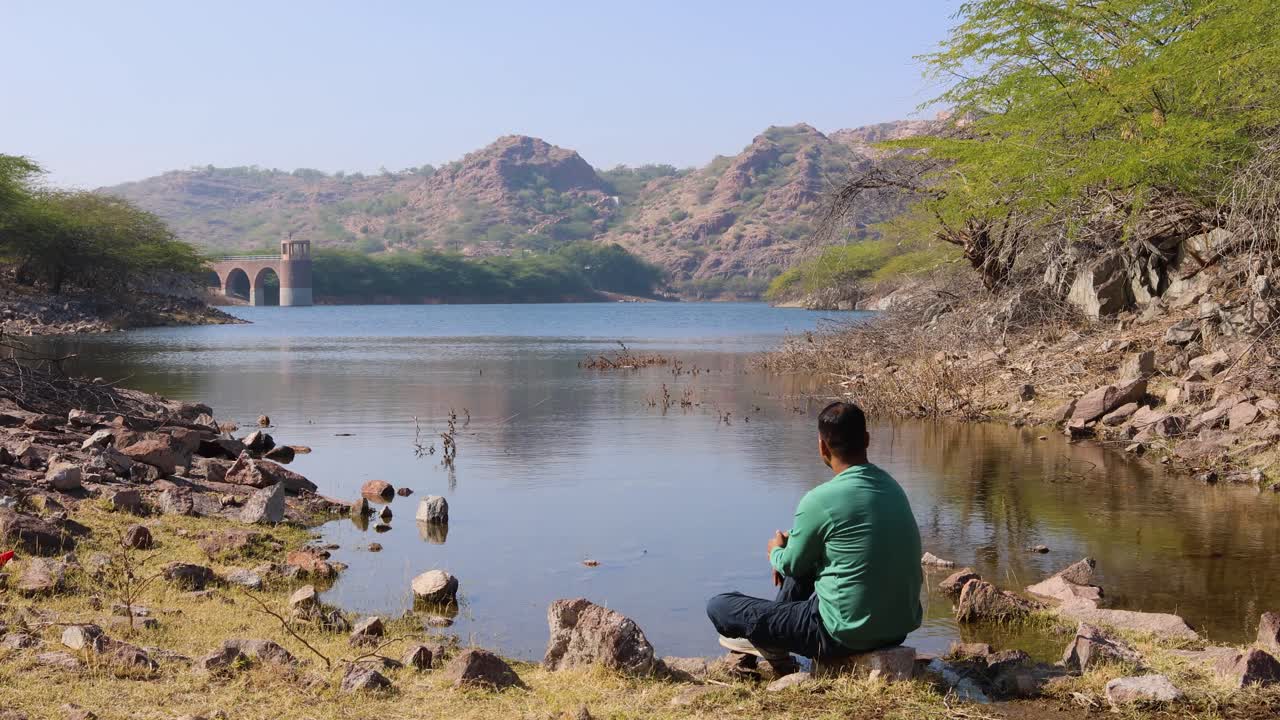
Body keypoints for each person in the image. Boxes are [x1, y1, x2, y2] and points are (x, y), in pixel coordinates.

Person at [706, 401, 922, 662]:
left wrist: (776, 552)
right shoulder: (892, 487)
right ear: (867, 439)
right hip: (897, 631)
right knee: (810, 556)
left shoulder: (820, 499)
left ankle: (770, 640)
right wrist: (795, 546)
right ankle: (774, 639)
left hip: (840, 635)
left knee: (720, 605)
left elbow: (791, 566)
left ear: (822, 446)